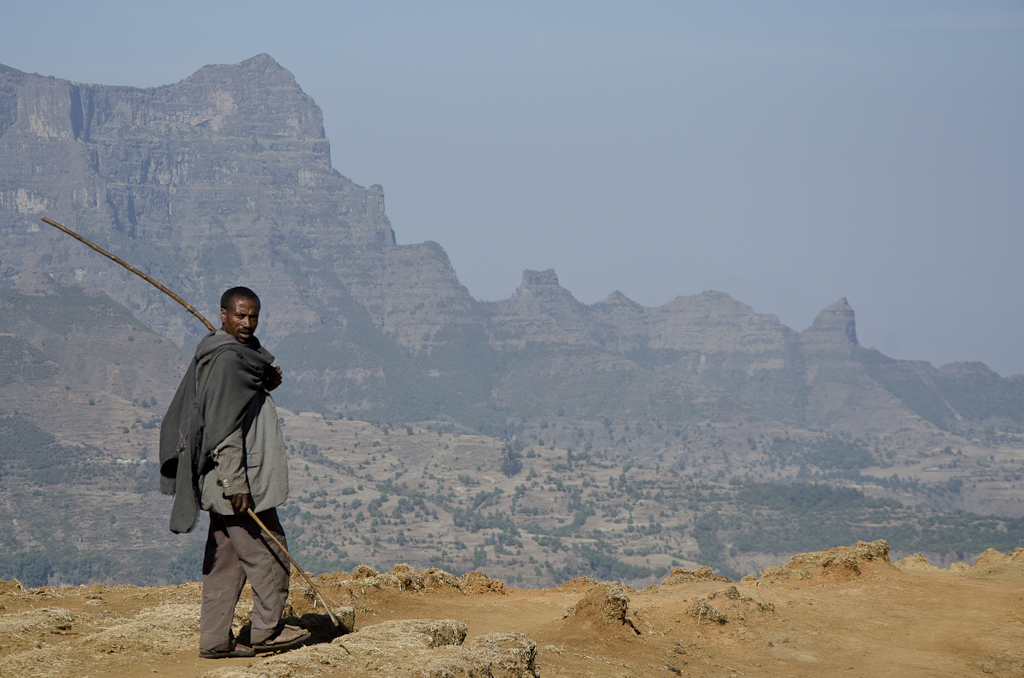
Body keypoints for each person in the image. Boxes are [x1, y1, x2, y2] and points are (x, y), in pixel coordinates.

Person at [160, 286, 310, 659]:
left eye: (253, 316)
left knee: (225, 563)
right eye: (240, 315)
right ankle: (267, 632)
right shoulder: (227, 361)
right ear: (223, 314)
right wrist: (236, 484)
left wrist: (263, 380)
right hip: (235, 482)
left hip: (219, 482)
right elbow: (225, 429)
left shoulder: (228, 355)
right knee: (270, 556)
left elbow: (240, 397)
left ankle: (214, 640)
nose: (247, 323)